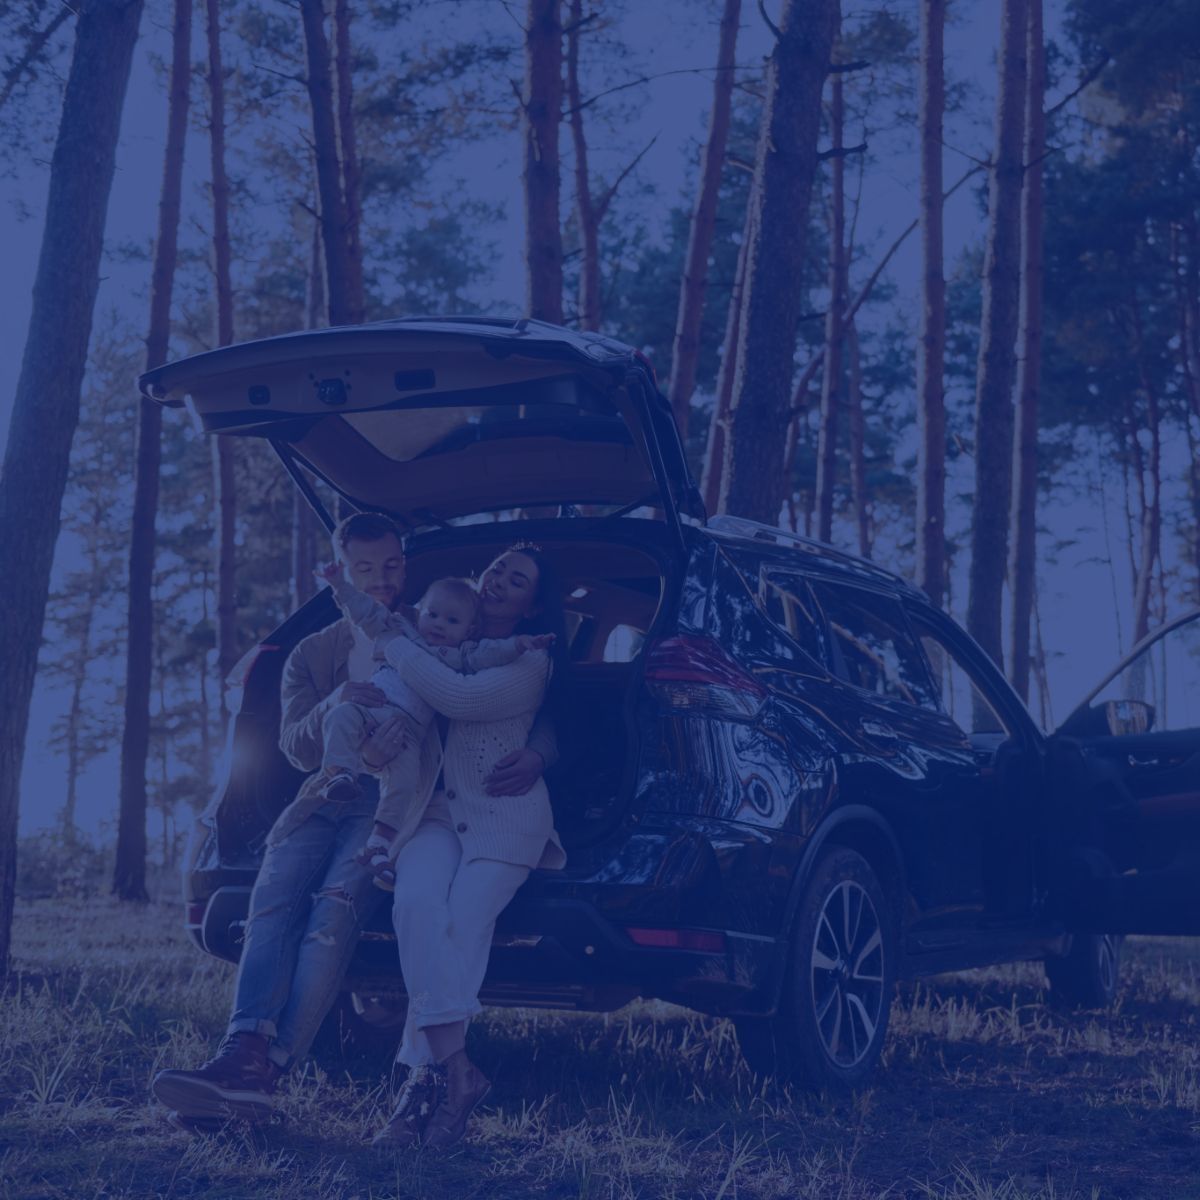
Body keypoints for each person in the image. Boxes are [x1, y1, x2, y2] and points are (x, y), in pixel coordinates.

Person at [151, 515, 556, 1127]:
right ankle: (242, 1052)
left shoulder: (435, 628)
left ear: (405, 566)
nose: (382, 580)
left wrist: (541, 750)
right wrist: (338, 705)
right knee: (269, 906)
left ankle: (267, 1073)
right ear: (343, 570)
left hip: (394, 804)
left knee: (331, 917)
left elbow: (508, 700)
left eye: (391, 566)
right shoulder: (313, 651)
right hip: (323, 792)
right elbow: (294, 747)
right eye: (365, 569)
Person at [372, 544, 569, 1151]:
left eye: (518, 580)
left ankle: (418, 1089)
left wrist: (393, 641)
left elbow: (458, 696)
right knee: (415, 907)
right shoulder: (444, 629)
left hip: (505, 820)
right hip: (432, 813)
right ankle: (457, 1072)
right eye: (497, 568)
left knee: (460, 924)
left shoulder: (531, 659)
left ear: (532, 605)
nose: (499, 580)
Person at [313, 566, 552, 887]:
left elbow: (488, 657)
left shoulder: (460, 656)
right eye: (432, 615)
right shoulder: (401, 627)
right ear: (419, 612)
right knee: (340, 716)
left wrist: (520, 644)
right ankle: (339, 773)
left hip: (409, 732)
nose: (439, 624)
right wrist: (339, 584)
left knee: (404, 782)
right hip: (371, 709)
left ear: (468, 629)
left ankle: (379, 845)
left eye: (452, 621)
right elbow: (366, 611)